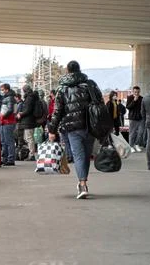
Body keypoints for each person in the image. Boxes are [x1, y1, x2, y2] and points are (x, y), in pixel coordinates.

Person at [48, 60, 102, 199]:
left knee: (78, 155)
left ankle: (82, 184)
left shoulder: (62, 88)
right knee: (85, 156)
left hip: (72, 127)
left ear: (67, 71)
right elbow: (100, 105)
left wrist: (52, 130)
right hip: (90, 126)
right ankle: (83, 182)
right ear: (79, 69)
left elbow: (57, 111)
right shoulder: (90, 85)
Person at [17, 84, 37, 161]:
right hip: (30, 120)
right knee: (28, 137)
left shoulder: (29, 98)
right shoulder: (31, 97)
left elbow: (28, 110)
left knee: (29, 138)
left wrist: (21, 113)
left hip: (29, 121)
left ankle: (31, 155)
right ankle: (30, 153)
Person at [0, 84, 17, 165]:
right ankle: (5, 158)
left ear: (6, 90)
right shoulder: (8, 98)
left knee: (9, 141)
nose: (1, 91)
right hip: (5, 122)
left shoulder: (9, 98)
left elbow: (10, 110)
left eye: (2, 89)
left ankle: (10, 159)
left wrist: (3, 117)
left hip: (8, 122)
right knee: (4, 141)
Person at [126, 86, 145, 152]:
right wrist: (134, 100)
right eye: (135, 92)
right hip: (133, 118)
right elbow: (128, 107)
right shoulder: (130, 97)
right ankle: (131, 146)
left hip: (141, 118)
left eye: (138, 92)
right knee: (132, 133)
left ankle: (137, 144)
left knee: (141, 132)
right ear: (133, 92)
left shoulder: (142, 98)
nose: (137, 93)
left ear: (139, 92)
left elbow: (143, 108)